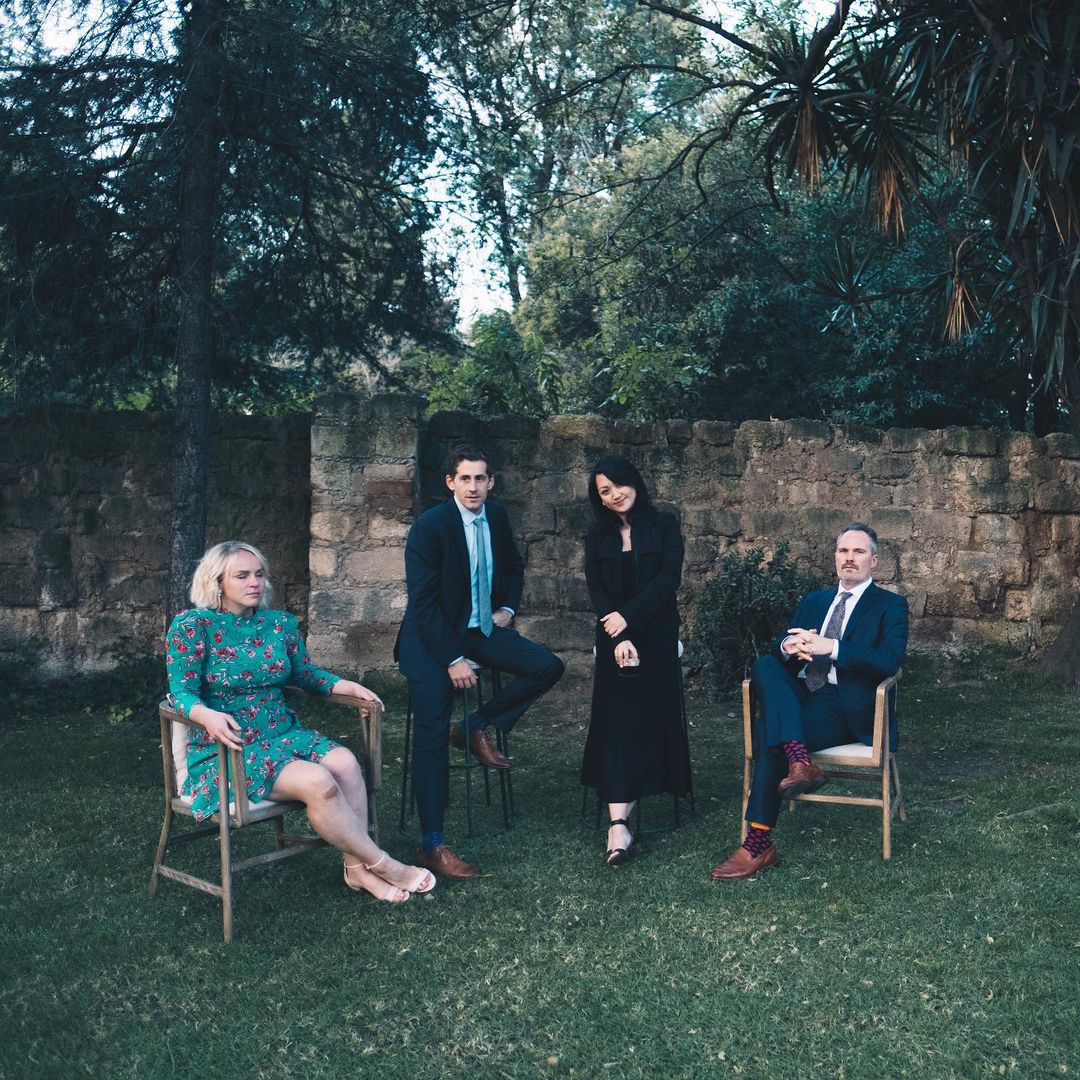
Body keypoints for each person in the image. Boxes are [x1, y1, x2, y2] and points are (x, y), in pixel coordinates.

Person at [166, 540, 435, 903]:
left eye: (259, 574)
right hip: (228, 746)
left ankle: (356, 869)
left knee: (346, 764)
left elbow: (305, 673)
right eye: (242, 576)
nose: (255, 582)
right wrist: (206, 715)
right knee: (319, 782)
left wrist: (346, 686)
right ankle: (384, 865)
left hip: (282, 733)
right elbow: (181, 692)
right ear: (217, 582)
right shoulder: (192, 625)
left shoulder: (278, 623)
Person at [395, 442, 565, 879]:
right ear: (450, 482)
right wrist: (452, 658)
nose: (473, 487)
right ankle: (432, 844)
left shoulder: (498, 516)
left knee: (547, 666)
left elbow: (513, 566)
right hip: (430, 641)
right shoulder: (430, 527)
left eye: (480, 478)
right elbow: (423, 604)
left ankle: (473, 726)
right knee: (431, 737)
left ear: (491, 482)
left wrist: (507, 607)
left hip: (479, 630)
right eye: (465, 478)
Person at [711, 523, 908, 880]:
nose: (849, 558)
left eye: (859, 551)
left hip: (844, 703)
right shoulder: (814, 601)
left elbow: (889, 660)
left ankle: (757, 843)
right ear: (835, 557)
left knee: (770, 732)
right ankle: (800, 761)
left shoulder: (890, 605)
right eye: (843, 551)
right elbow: (781, 648)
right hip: (800, 690)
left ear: (874, 561)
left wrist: (832, 647)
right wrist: (790, 646)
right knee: (766, 664)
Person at [581, 454, 692, 866]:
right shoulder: (597, 535)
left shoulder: (664, 524)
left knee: (647, 717)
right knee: (616, 722)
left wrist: (628, 618)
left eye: (619, 485)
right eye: (605, 491)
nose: (615, 495)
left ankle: (640, 796)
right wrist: (620, 634)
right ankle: (618, 826)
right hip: (614, 637)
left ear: (634, 482)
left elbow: (668, 580)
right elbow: (597, 588)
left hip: (656, 633)